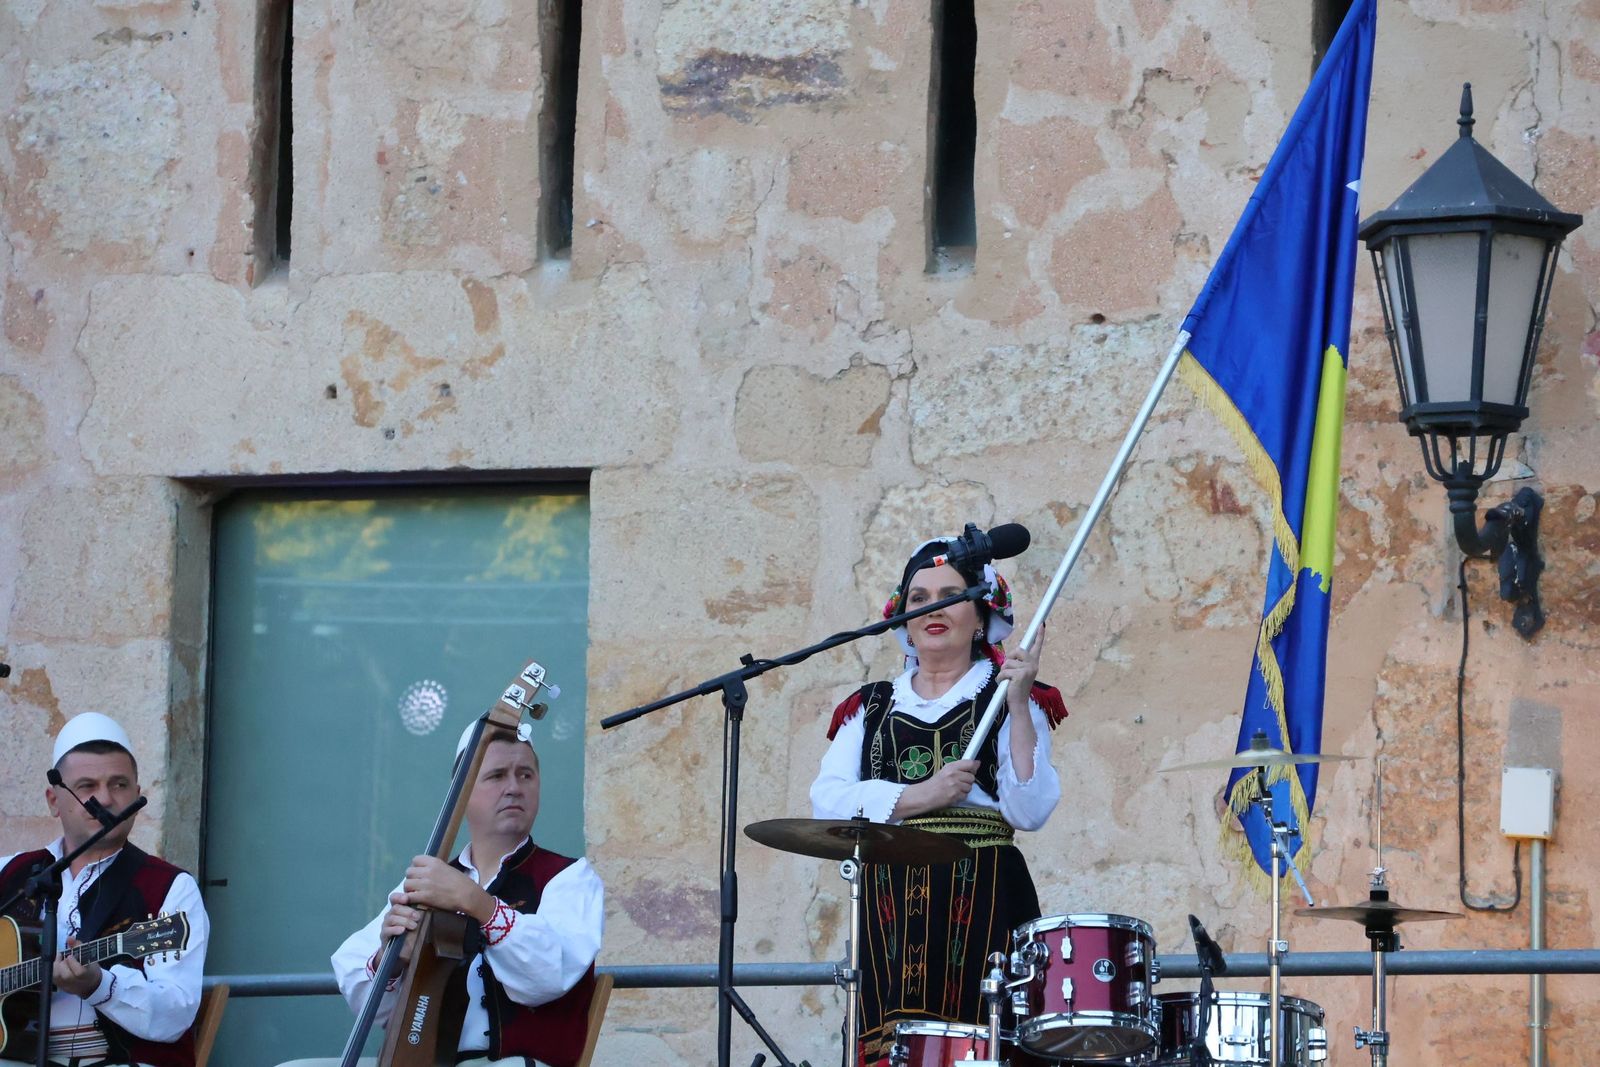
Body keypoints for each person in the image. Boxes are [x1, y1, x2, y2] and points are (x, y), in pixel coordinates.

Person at [810, 534, 1067, 1064]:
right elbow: (826, 802)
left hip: (986, 896)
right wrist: (918, 796)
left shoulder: (1008, 692)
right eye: (919, 599)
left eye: (951, 596)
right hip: (891, 904)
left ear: (980, 616)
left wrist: (1018, 706)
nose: (933, 608)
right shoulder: (870, 707)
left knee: (984, 1042)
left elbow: (1030, 810)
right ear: (901, 620)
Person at [282, 722, 603, 1067]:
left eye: (525, 775)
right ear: (461, 792)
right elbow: (361, 992)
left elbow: (549, 976)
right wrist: (392, 959)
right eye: (496, 776)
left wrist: (481, 906)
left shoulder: (569, 877)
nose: (513, 787)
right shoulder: (432, 878)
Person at [0, 712, 211, 1067]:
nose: (106, 799)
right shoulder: (10, 872)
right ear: (54, 800)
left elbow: (175, 1015)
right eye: (87, 787)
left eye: (119, 785)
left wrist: (100, 986)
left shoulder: (170, 887)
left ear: (137, 795)